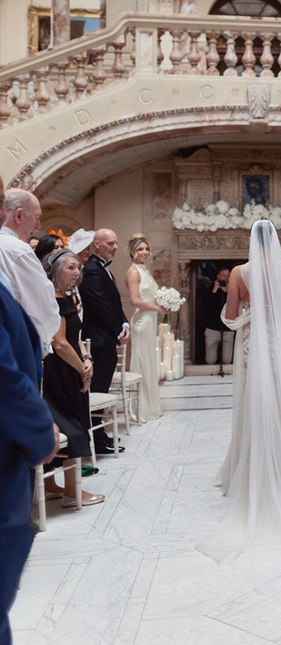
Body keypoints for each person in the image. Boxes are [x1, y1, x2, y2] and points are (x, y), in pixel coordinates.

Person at [196, 220, 281, 563]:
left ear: (251, 241)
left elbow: (230, 315)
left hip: (253, 345)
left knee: (255, 403)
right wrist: (278, 312)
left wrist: (254, 314)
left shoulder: (239, 272)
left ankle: (252, 469)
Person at [0, 176, 59, 645]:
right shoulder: (17, 252)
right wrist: (42, 433)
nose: (39, 229)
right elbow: (43, 309)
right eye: (37, 219)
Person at [41, 248, 104, 507]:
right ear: (55, 270)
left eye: (78, 267)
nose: (77, 272)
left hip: (72, 366)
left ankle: (50, 485)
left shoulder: (67, 297)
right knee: (72, 425)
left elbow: (75, 337)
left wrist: (87, 359)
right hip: (59, 372)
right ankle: (71, 492)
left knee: (75, 421)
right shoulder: (51, 299)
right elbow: (59, 344)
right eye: (70, 267)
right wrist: (81, 369)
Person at [79, 228, 128, 454]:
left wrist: (124, 323)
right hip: (98, 341)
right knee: (97, 390)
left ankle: (101, 436)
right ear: (96, 245)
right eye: (110, 243)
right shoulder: (91, 270)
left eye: (116, 243)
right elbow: (100, 305)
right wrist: (118, 329)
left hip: (105, 338)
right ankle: (97, 439)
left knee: (102, 389)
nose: (115, 247)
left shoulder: (101, 269)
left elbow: (114, 303)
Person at [0, 189, 60, 355]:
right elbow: (42, 305)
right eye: (37, 217)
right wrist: (43, 343)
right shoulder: (18, 250)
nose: (39, 225)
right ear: (19, 216)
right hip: (17, 346)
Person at [124, 234, 163, 423]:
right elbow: (134, 300)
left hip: (150, 320)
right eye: (140, 249)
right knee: (142, 361)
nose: (144, 252)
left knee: (149, 361)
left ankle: (151, 404)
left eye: (146, 248)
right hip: (142, 321)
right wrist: (158, 307)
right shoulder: (133, 271)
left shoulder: (145, 269)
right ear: (132, 251)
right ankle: (140, 408)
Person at [200, 266, 232, 366]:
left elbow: (235, 306)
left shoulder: (233, 290)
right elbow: (206, 307)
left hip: (228, 329)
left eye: (228, 276)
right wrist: (214, 290)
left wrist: (227, 292)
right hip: (212, 328)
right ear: (218, 276)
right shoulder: (209, 289)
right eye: (223, 275)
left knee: (227, 360)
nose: (225, 278)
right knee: (210, 361)